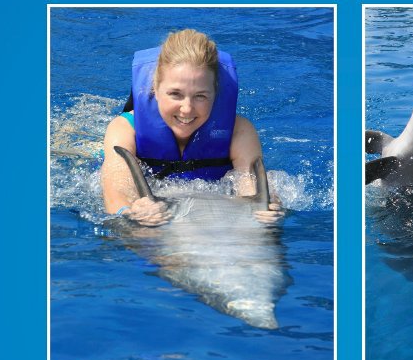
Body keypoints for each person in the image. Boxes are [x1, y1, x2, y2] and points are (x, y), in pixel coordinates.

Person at [101, 29, 283, 226]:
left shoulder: (240, 131)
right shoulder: (125, 129)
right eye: (175, 94)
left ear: (215, 93)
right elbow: (116, 186)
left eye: (200, 96)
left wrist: (262, 207)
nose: (187, 109)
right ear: (156, 87)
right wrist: (130, 212)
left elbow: (249, 185)